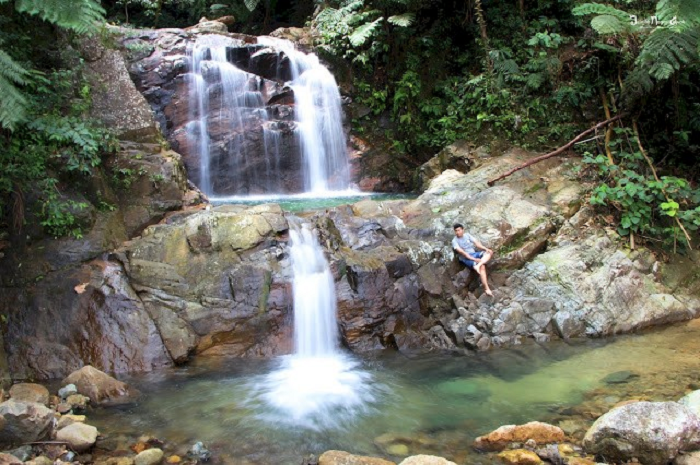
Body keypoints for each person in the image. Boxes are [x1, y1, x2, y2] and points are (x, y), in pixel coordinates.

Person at [452, 223, 494, 296]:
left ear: (463, 230)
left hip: (474, 254)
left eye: (459, 230)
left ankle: (478, 265)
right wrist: (474, 259)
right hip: (466, 258)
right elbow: (463, 253)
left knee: (489, 253)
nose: (457, 232)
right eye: (456, 231)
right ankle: (487, 289)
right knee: (482, 267)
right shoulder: (454, 241)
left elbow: (477, 244)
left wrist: (486, 249)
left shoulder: (467, 235)